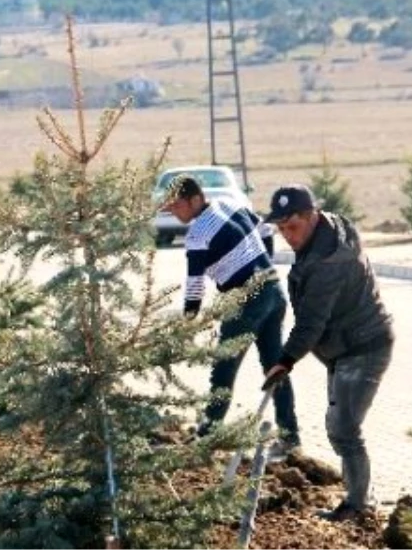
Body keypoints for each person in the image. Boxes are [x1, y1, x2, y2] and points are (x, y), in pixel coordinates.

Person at [262, 184, 395, 522]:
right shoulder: (325, 233)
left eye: (292, 227)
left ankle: (358, 506)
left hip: (363, 347)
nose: (287, 237)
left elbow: (311, 325)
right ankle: (360, 496)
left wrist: (285, 360)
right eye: (281, 229)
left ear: (312, 216)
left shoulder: (328, 262)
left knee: (344, 429)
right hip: (345, 348)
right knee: (338, 426)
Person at [161, 175, 300, 458]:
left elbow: (195, 283)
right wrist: (263, 266)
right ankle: (290, 437)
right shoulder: (229, 205)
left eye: (177, 206)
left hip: (245, 301)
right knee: (275, 367)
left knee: (223, 370)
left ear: (196, 200)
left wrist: (188, 321)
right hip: (273, 290)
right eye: (170, 209)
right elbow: (265, 231)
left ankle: (208, 437)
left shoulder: (197, 234)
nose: (175, 213)